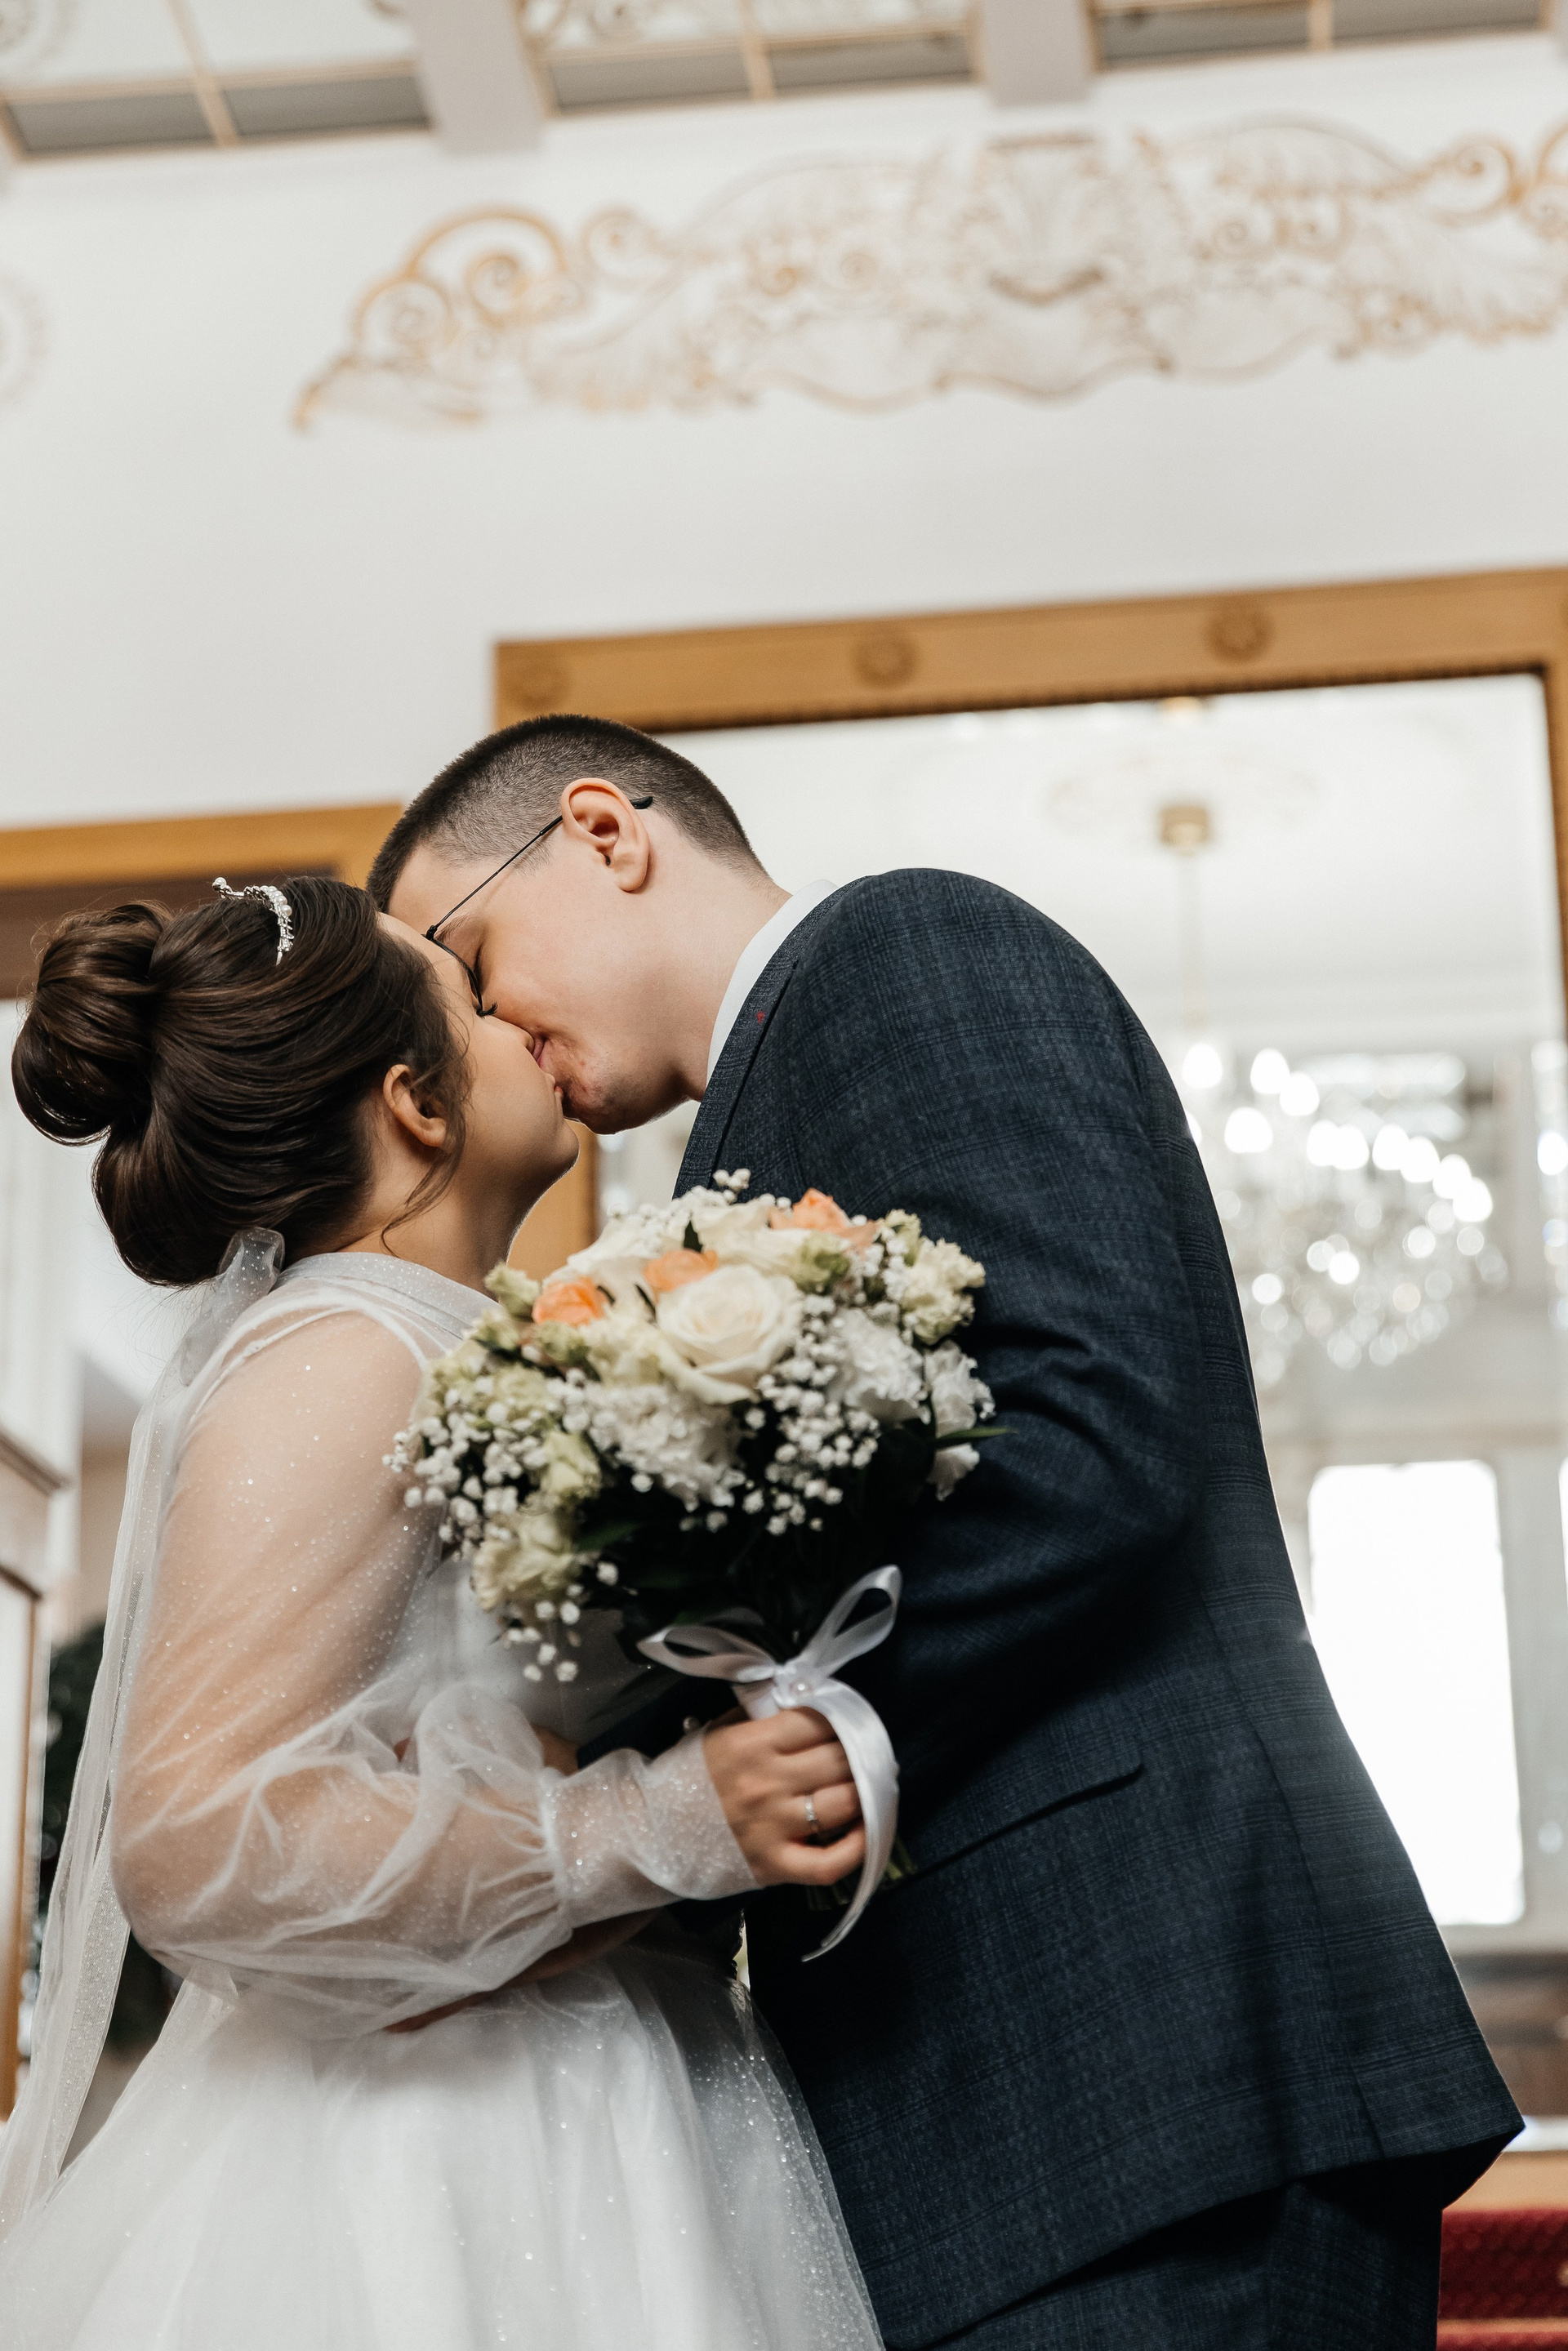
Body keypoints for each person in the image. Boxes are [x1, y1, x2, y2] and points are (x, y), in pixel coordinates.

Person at [376, 713, 1522, 2351]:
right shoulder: (748, 1118)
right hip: (1039, 2095)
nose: (487, 1031)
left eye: (473, 962)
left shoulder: (900, 954)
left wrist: (734, 1761)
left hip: (1147, 2042)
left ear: (603, 832)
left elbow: (1093, 1433)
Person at [0, 876, 884, 2351]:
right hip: (437, 2146)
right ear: (415, 1102)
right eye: (473, 1001)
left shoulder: (444, 1341)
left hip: (588, 2076)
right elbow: (194, 1836)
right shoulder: (347, 1348)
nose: (518, 1015)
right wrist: (653, 1822)